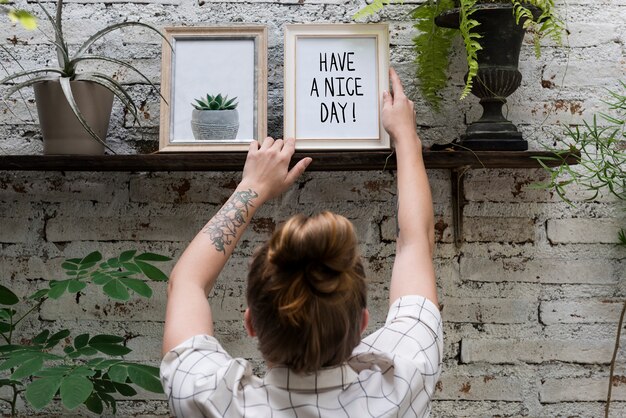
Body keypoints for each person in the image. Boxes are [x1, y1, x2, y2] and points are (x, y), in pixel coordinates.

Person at [160, 68, 442, 417]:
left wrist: (253, 188)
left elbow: (187, 282)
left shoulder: (210, 399)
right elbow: (416, 243)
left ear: (250, 323)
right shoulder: (404, 382)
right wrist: (406, 137)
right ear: (363, 322)